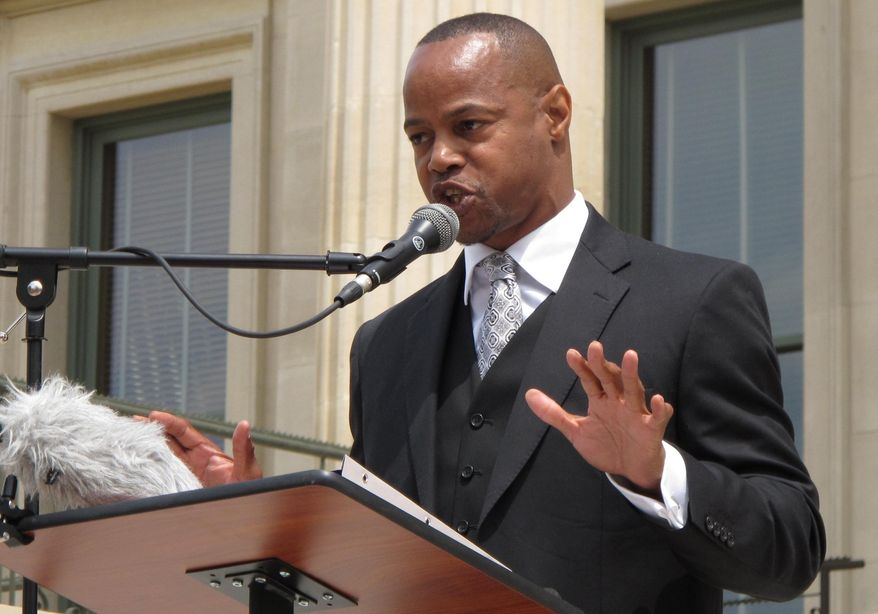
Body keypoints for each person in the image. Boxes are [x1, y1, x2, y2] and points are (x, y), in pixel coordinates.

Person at [153, 13, 825, 613]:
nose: (439, 157)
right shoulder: (385, 345)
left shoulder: (692, 300)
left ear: (555, 114)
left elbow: (789, 553)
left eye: (467, 126)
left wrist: (654, 473)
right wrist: (258, 528)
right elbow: (367, 578)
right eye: (420, 137)